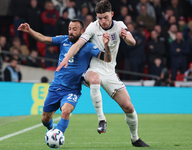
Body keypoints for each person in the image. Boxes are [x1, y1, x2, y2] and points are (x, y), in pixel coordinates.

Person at [56, 1, 149, 147]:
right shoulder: (93, 27)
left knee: (129, 107)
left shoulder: (119, 25)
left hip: (110, 72)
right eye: (99, 18)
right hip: (93, 69)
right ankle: (101, 119)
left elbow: (132, 42)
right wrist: (66, 59)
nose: (102, 21)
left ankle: (135, 139)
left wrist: (126, 37)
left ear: (112, 14)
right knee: (94, 79)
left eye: (105, 17)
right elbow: (78, 44)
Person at [17, 19, 111, 135]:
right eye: (70, 29)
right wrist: (29, 30)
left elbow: (107, 58)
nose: (71, 32)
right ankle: (51, 128)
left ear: (82, 31)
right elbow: (43, 38)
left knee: (66, 112)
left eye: (74, 29)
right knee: (45, 119)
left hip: (72, 89)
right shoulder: (63, 40)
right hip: (56, 87)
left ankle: (58, 136)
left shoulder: (88, 47)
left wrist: (106, 46)